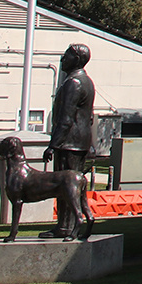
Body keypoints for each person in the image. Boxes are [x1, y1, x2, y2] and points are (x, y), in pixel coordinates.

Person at [40, 44, 94, 237]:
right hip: (79, 143)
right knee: (73, 186)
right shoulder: (86, 81)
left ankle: (65, 226)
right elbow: (89, 117)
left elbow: (66, 119)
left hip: (69, 143)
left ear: (77, 59)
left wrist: (53, 145)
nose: (63, 59)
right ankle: (70, 225)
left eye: (67, 56)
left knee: (66, 186)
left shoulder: (74, 83)